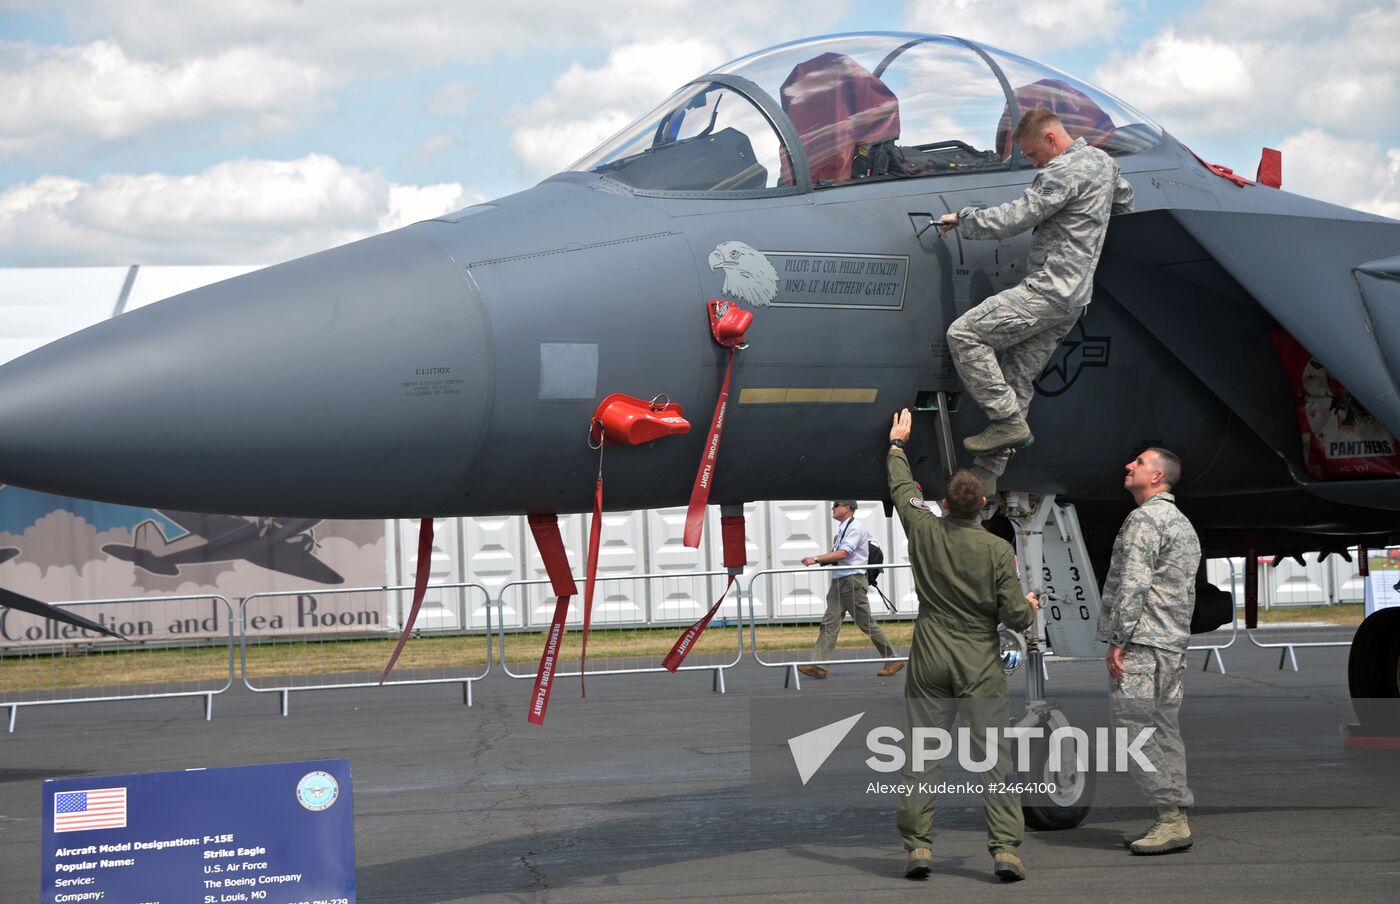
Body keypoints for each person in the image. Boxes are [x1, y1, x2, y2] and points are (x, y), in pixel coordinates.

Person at [936, 107, 1134, 496]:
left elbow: (1017, 217)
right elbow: (1124, 202)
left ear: (1050, 138)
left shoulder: (1062, 171)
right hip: (1075, 298)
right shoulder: (1103, 163)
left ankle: (1007, 421)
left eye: (1031, 154)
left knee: (964, 334)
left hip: (1047, 290)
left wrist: (963, 219)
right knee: (1017, 376)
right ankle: (989, 473)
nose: (1032, 162)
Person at [886, 408, 1038, 882]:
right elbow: (1015, 615)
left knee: (921, 755)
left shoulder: (926, 529)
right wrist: (1030, 605)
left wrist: (896, 447)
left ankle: (918, 848)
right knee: (994, 758)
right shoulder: (997, 551)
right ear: (983, 507)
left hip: (930, 652)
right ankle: (1006, 852)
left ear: (946, 505)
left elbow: (903, 493)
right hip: (978, 659)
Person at [1098, 447, 1201, 855]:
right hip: (1170, 644)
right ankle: (1173, 818)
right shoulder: (1180, 523)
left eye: (1139, 463)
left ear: (1157, 477)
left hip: (1142, 644)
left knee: (1135, 734)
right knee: (1165, 731)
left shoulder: (1144, 520)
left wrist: (1118, 640)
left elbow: (1134, 585)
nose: (1128, 466)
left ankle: (1170, 819)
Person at [797, 500, 903, 679]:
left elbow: (844, 553)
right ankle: (819, 665)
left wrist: (815, 558)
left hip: (851, 582)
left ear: (846, 508)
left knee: (866, 623)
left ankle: (893, 659)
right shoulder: (843, 529)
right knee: (829, 623)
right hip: (840, 581)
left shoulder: (855, 528)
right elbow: (840, 555)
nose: (833, 508)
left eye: (836, 505)